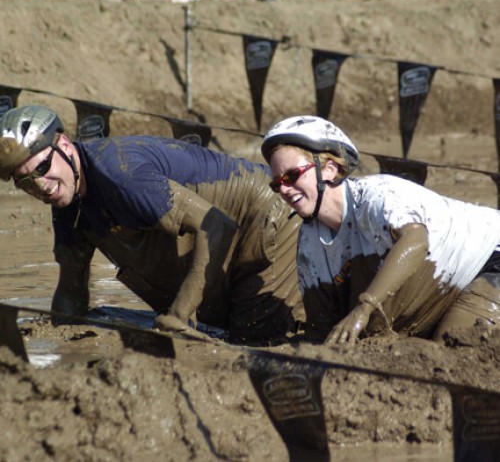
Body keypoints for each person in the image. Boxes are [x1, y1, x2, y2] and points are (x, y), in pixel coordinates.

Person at [0, 105, 304, 344]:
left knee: (257, 345)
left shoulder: (120, 175)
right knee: (219, 333)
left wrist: (178, 317)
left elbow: (217, 226)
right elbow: (70, 289)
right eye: (25, 180)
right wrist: (56, 339)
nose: (41, 185)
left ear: (64, 145)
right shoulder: (66, 204)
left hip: (268, 214)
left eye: (42, 167)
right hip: (227, 234)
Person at [261, 115, 500, 345]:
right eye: (277, 183)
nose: (284, 189)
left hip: (491, 259)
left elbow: (416, 241)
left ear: (329, 169)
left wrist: (366, 306)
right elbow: (320, 329)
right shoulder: (309, 244)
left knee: (455, 347)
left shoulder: (377, 196)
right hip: (446, 293)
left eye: (291, 176)